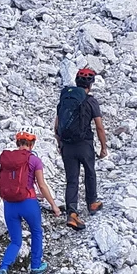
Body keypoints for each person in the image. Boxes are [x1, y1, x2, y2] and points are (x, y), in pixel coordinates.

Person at [0, 131, 61, 274]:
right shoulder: (34, 160)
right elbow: (42, 185)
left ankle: (3, 269)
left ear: (18, 143)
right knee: (36, 232)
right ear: (31, 145)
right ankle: (36, 266)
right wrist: (53, 205)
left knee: (15, 241)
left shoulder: (7, 159)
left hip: (9, 204)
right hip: (28, 203)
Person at [54, 67, 108, 231]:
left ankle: (72, 213)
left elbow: (57, 125)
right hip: (84, 144)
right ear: (90, 85)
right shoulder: (90, 101)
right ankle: (92, 203)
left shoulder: (65, 98)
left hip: (67, 145)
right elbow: (99, 127)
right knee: (90, 171)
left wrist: (60, 143)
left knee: (72, 179)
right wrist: (103, 147)